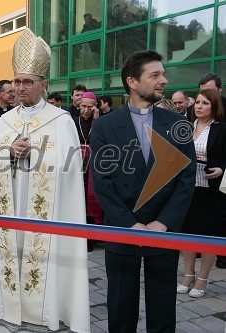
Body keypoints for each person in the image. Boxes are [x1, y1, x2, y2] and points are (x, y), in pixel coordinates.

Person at [0, 28, 91, 333]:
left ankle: (42, 311)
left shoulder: (61, 121)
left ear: (43, 85)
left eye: (27, 82)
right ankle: (4, 308)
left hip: (43, 218)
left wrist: (35, 155)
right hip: (8, 212)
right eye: (16, 81)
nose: (19, 87)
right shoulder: (4, 121)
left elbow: (71, 168)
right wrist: (7, 153)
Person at [90, 50, 196, 332]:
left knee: (162, 309)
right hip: (122, 230)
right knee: (120, 308)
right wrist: (131, 225)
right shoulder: (104, 126)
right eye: (155, 74)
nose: (164, 79)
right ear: (133, 82)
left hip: (164, 230)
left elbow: (185, 180)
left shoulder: (177, 125)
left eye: (163, 73)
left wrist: (163, 222)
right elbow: (102, 181)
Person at [177, 89, 226, 297]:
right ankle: (188, 275)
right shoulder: (186, 127)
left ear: (213, 106)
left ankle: (203, 279)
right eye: (197, 102)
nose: (199, 106)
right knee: (187, 233)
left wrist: (222, 168)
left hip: (211, 191)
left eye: (205, 103)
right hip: (188, 189)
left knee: (208, 236)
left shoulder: (222, 129)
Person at [73, 92, 103, 252]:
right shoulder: (72, 121)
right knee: (78, 199)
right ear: (79, 105)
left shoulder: (100, 121)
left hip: (93, 166)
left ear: (95, 107)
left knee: (91, 200)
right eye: (83, 106)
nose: (86, 110)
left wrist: (97, 119)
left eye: (90, 107)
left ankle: (90, 239)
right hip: (76, 164)